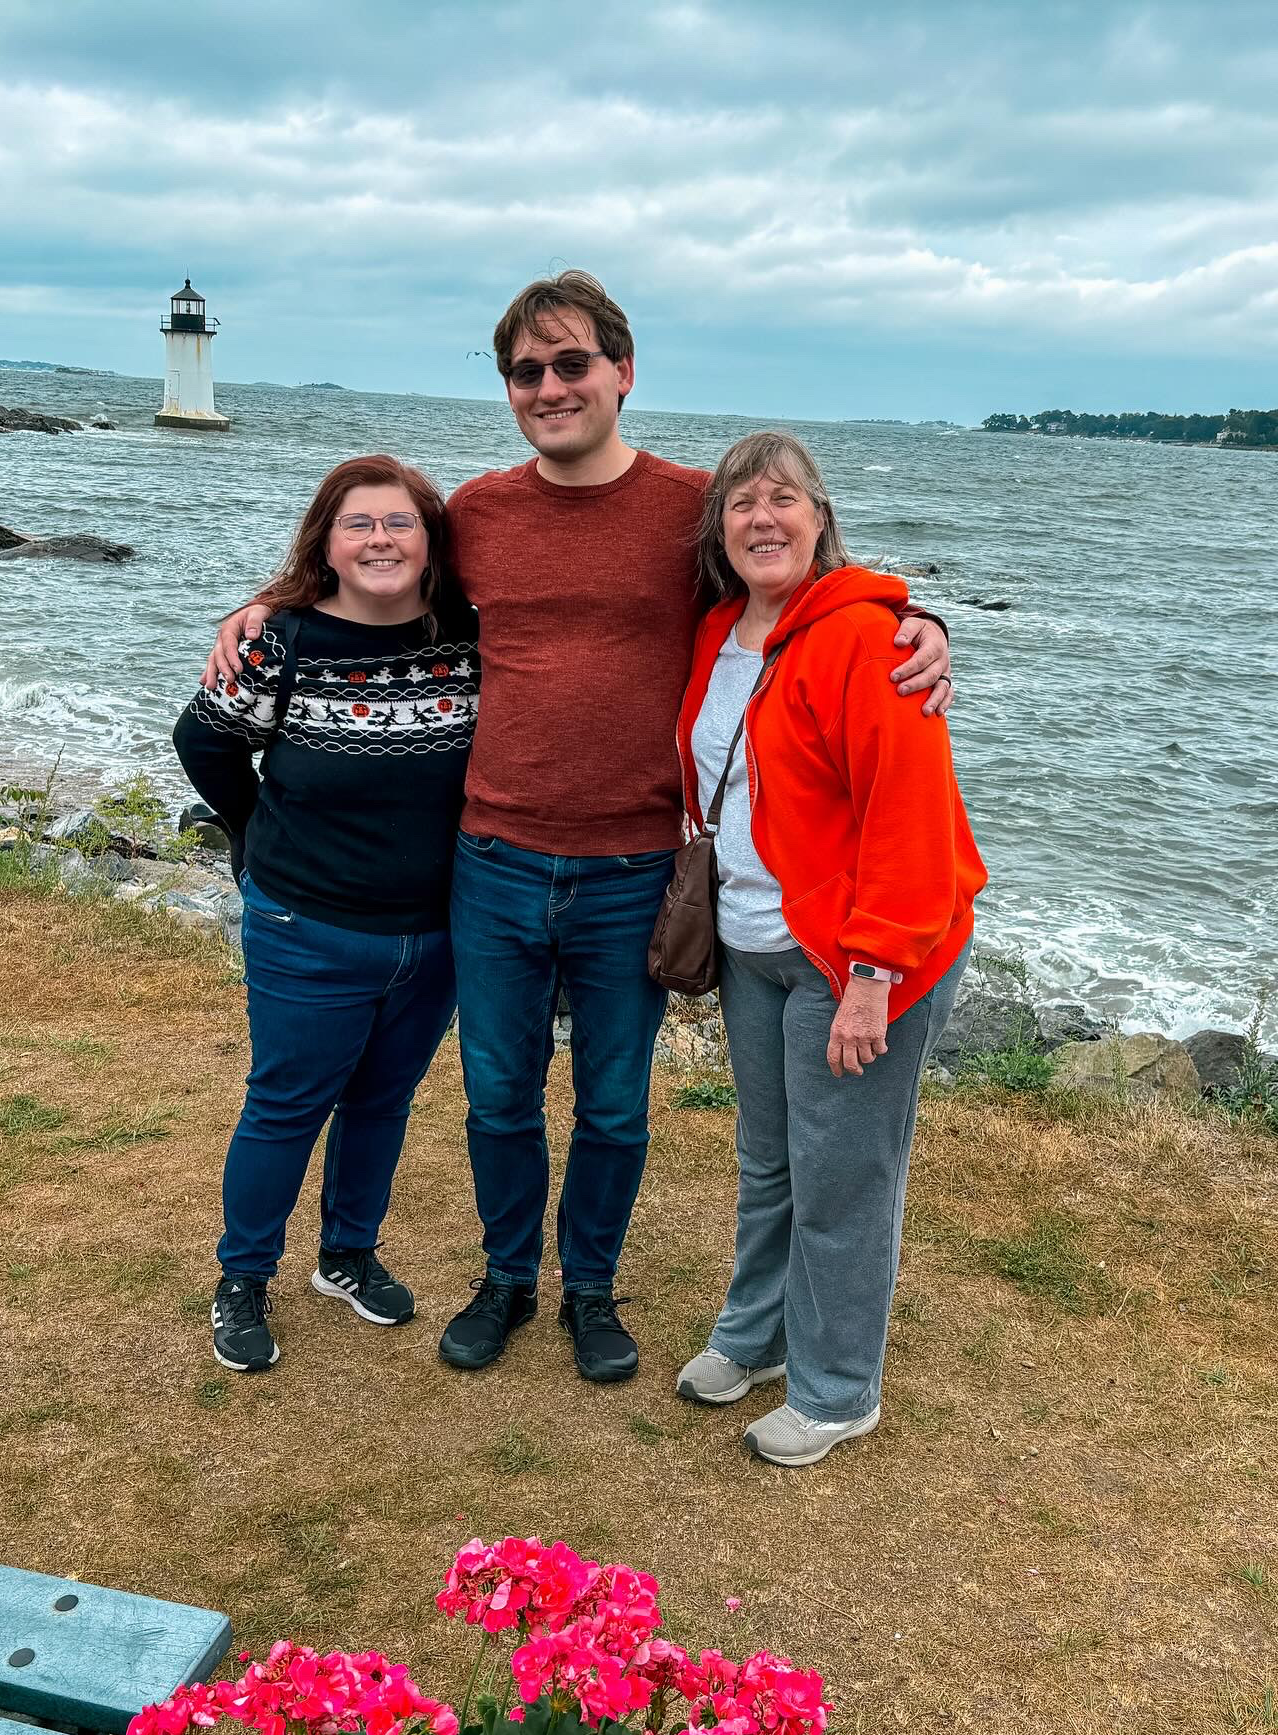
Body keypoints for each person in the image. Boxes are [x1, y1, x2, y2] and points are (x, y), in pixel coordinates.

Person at [204, 272, 953, 1386]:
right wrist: (267, 602)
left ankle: (590, 1290)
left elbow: (790, 579)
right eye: (526, 371)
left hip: (633, 867)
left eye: (571, 365)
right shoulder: (481, 515)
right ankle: (508, 1278)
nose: (549, 387)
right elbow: (376, 573)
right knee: (497, 1092)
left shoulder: (693, 507)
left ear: (622, 372)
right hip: (492, 859)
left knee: (612, 1102)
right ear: (510, 388)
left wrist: (916, 617)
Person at [671, 430, 985, 1465]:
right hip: (755, 937)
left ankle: (839, 1385)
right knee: (770, 1159)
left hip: (858, 954)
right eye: (742, 502)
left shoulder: (868, 637)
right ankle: (756, 1336)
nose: (764, 517)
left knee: (843, 1174)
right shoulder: (720, 628)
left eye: (785, 498)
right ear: (721, 528)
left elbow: (910, 812)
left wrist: (872, 976)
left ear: (820, 516)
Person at [175, 455, 479, 1372]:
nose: (380, 539)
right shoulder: (282, 642)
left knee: (382, 1100)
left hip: (435, 933)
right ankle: (243, 1277)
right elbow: (206, 741)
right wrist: (252, 830)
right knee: (285, 1105)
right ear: (329, 543)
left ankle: (347, 1255)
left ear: (431, 542)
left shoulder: (468, 635)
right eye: (360, 525)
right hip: (304, 926)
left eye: (399, 523)